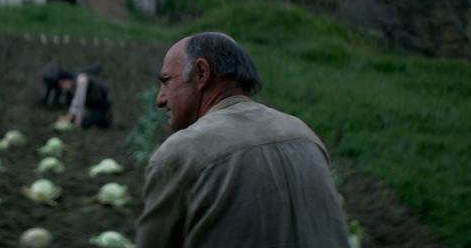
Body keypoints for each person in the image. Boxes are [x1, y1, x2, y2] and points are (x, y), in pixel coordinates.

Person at [135, 32, 349, 248]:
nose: (160, 99)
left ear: (201, 73)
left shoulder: (182, 153)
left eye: (166, 81)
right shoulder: (304, 135)